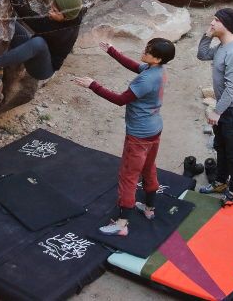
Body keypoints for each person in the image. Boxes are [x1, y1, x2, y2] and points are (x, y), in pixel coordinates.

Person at [73, 38, 176, 235]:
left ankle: (122, 223)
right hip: (154, 130)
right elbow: (135, 65)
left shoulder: (146, 80)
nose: (144, 51)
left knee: (128, 176)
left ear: (158, 58)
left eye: (148, 50)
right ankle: (149, 208)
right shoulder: (158, 70)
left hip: (138, 135)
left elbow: (120, 99)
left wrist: (93, 85)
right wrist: (112, 51)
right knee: (148, 168)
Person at [196, 7, 233, 204]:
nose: (211, 23)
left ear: (226, 25)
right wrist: (207, 35)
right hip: (225, 108)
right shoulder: (222, 47)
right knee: (220, 146)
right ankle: (220, 181)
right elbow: (202, 55)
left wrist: (217, 111)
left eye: (215, 20)